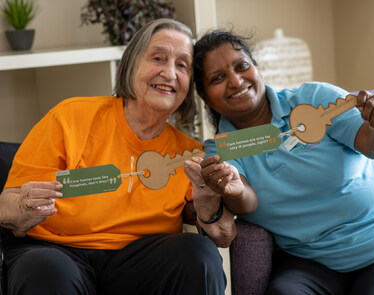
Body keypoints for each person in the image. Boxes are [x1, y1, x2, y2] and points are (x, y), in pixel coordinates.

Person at [0, 19, 235, 295]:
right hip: (56, 251)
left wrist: (208, 202)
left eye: (182, 65)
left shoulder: (189, 154)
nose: (170, 73)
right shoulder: (69, 118)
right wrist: (26, 208)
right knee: (45, 267)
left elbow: (224, 235)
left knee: (199, 253)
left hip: (139, 261)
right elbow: (6, 208)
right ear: (132, 63)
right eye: (158, 58)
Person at [188, 29, 374, 295]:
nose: (235, 81)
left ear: (256, 68)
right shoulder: (220, 149)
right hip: (312, 262)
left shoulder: (312, 99)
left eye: (242, 66)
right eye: (218, 78)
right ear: (205, 98)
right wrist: (234, 188)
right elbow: (247, 201)